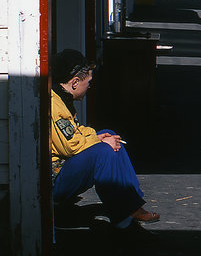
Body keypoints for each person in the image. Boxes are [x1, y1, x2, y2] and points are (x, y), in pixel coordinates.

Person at [50, 49, 160, 236]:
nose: (89, 87)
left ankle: (132, 201)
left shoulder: (62, 99)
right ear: (75, 82)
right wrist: (100, 143)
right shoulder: (54, 105)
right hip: (54, 179)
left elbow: (76, 131)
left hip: (65, 168)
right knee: (104, 150)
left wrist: (99, 137)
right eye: (88, 82)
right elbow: (71, 147)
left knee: (110, 136)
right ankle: (122, 215)